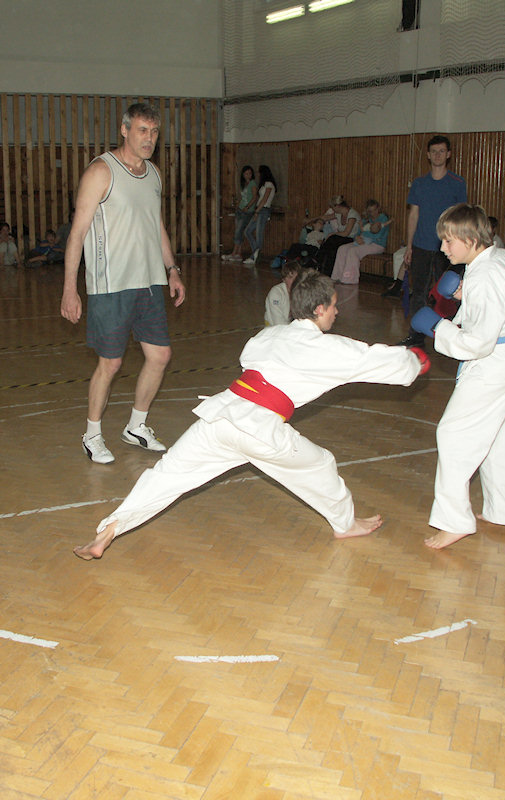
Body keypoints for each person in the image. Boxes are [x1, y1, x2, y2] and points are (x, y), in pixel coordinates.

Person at [72, 270, 430, 560]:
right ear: (320, 309)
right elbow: (371, 359)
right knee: (321, 464)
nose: (337, 312)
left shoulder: (268, 337)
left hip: (219, 417)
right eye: (334, 306)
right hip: (260, 430)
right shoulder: (327, 348)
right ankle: (345, 523)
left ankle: (110, 528)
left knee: (167, 476)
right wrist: (414, 362)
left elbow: (250, 358)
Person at [60, 102, 186, 465]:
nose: (149, 139)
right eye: (142, 130)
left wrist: (172, 269)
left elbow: (156, 225)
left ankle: (136, 426)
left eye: (154, 132)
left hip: (149, 282)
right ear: (124, 130)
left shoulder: (154, 174)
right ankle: (92, 434)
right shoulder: (101, 171)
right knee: (111, 364)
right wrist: (70, 288)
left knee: (160, 356)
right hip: (111, 285)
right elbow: (77, 233)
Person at [410, 203, 505, 549]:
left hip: (495, 364)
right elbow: (503, 300)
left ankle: (455, 520)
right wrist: (462, 295)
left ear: (469, 239)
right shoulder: (503, 258)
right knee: (501, 437)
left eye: (448, 241)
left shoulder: (483, 276)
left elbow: (479, 342)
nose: (443, 248)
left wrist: (439, 328)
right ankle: (501, 509)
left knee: (452, 434)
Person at [398, 135, 467, 346]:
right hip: (421, 246)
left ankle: (451, 337)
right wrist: (409, 246)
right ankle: (416, 336)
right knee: (419, 293)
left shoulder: (457, 183)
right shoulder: (419, 184)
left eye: (441, 151)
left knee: (448, 294)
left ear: (448, 154)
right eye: (434, 151)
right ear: (428, 155)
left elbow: (461, 218)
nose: (437, 155)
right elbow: (413, 215)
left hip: (447, 250)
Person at [330, 200, 391, 285]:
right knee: (342, 248)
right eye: (370, 211)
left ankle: (350, 279)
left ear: (378, 208)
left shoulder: (383, 219)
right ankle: (337, 276)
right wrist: (357, 237)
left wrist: (364, 238)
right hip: (362, 241)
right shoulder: (366, 220)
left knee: (353, 251)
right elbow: (357, 233)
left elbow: (378, 234)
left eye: (375, 210)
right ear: (368, 211)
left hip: (377, 244)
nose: (373, 213)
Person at [316, 197, 361, 276]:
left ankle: (320, 264)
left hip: (351, 238)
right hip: (340, 238)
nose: (332, 209)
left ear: (338, 206)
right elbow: (325, 217)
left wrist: (332, 234)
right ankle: (322, 266)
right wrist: (314, 220)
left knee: (332, 240)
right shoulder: (338, 214)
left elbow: (346, 233)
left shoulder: (352, 215)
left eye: (332, 207)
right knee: (332, 246)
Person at [222, 165, 257, 262]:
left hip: (247, 211)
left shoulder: (253, 183)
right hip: (240, 210)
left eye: (250, 173)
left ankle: (235, 252)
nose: (248, 175)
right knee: (239, 231)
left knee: (239, 231)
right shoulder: (244, 184)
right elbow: (244, 197)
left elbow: (255, 197)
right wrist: (239, 204)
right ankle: (238, 253)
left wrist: (247, 207)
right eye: (246, 174)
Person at [243, 164, 277, 265]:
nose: (257, 174)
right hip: (260, 209)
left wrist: (257, 211)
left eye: (259, 172)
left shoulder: (269, 184)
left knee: (259, 234)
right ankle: (256, 252)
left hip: (263, 210)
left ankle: (254, 256)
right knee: (248, 231)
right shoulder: (264, 184)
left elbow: (265, 199)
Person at [264, 259, 301, 326]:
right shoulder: (276, 293)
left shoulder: (302, 292)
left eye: (296, 278)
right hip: (273, 326)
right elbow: (278, 322)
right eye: (290, 277)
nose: (294, 281)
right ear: (283, 279)